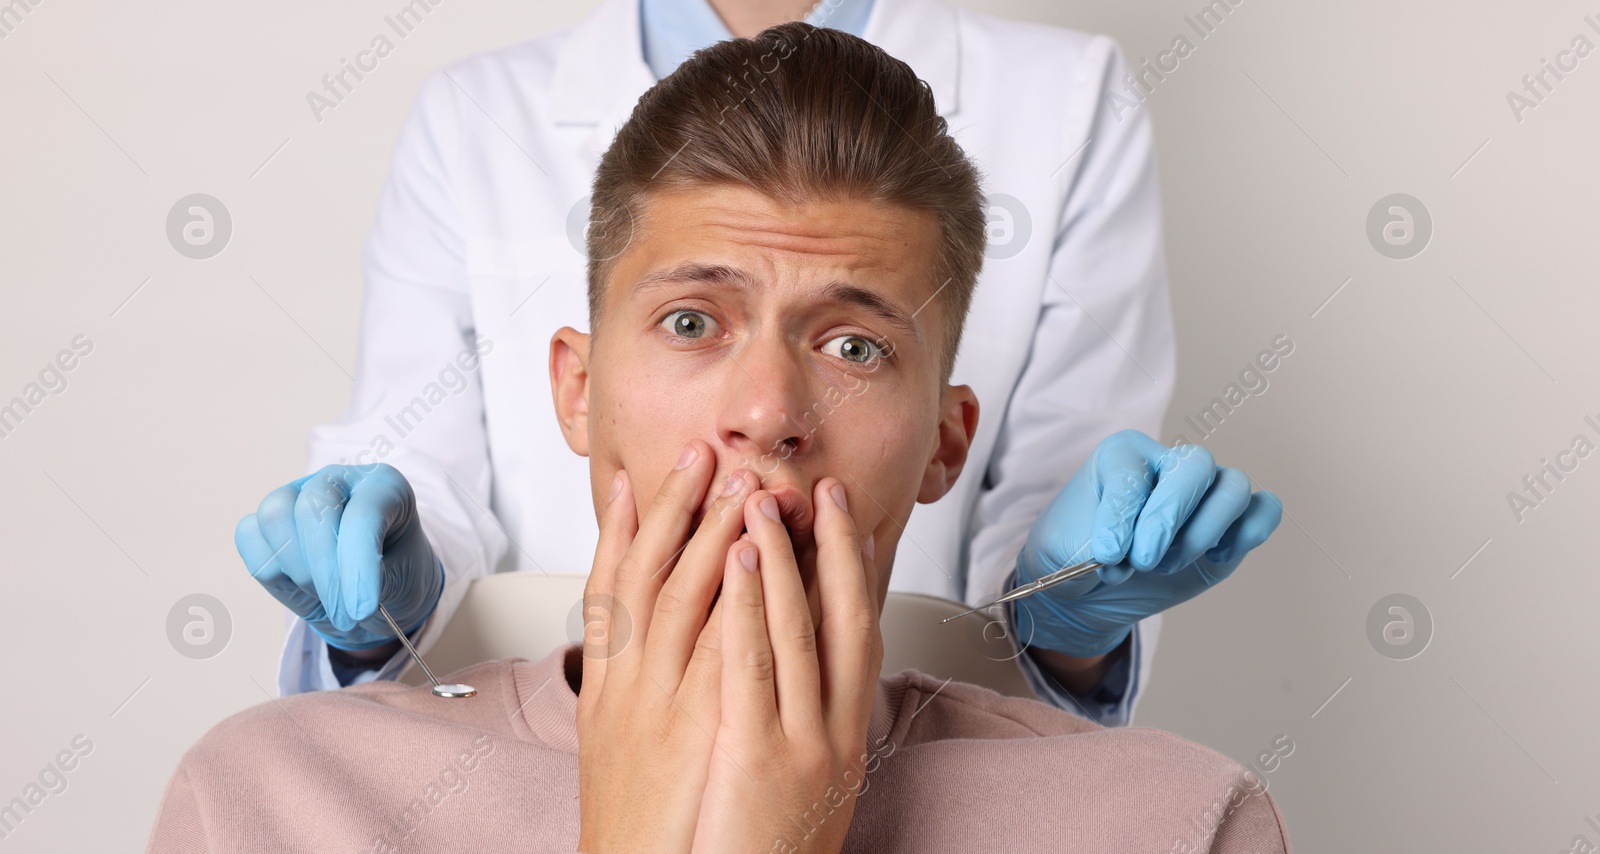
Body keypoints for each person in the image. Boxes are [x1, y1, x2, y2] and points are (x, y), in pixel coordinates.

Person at [155, 26, 1289, 851]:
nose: (766, 413)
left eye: (853, 347)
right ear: (578, 389)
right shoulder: (282, 798)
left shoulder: (1168, 820)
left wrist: (1063, 607)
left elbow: (1047, 521)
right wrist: (380, 617)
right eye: (691, 322)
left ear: (947, 440)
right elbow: (421, 454)